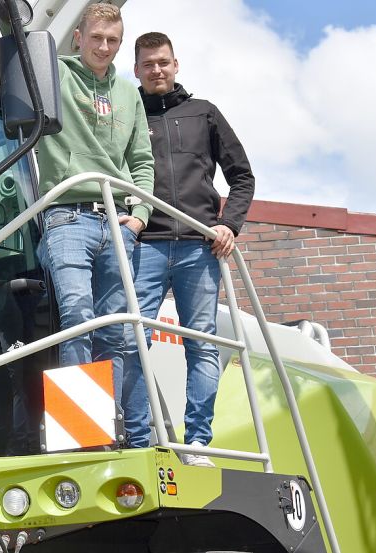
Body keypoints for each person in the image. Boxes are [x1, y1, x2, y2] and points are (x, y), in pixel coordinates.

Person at [121, 32, 255, 466]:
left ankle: (198, 442)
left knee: (203, 344)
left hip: (201, 247)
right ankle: (140, 439)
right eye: (147, 64)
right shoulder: (127, 113)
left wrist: (228, 224)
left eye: (162, 62)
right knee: (130, 338)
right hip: (147, 245)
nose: (156, 70)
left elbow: (242, 177)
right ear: (136, 70)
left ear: (176, 64)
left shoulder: (204, 113)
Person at [36, 4, 154, 382]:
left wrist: (141, 217)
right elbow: (19, 39)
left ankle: (110, 426)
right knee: (77, 314)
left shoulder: (128, 93)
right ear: (78, 38)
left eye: (113, 40)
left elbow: (142, 161)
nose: (104, 47)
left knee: (114, 328)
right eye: (97, 38)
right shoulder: (53, 74)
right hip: (67, 216)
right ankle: (82, 431)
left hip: (117, 220)